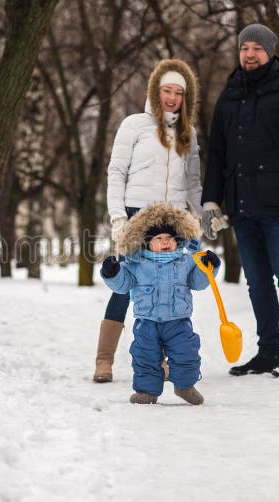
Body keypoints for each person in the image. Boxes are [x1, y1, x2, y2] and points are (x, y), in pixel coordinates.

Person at [200, 23, 279, 376]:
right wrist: (211, 202)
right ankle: (268, 350)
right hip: (242, 208)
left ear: (270, 52)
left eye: (257, 48)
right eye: (244, 48)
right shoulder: (230, 94)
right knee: (257, 282)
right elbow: (218, 152)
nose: (249, 54)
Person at [93, 59, 204, 383]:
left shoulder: (188, 133)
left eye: (178, 93)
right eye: (166, 91)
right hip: (137, 216)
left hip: (173, 221)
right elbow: (116, 172)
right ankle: (104, 359)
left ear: (186, 98)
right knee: (126, 286)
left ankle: (168, 361)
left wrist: (206, 214)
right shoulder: (134, 125)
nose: (171, 98)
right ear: (155, 92)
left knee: (171, 285)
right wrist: (118, 218)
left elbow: (193, 181)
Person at [100, 203, 218, 404]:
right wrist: (112, 273)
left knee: (187, 353)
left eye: (170, 238)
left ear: (177, 241)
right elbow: (123, 285)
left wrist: (209, 267)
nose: (165, 242)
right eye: (159, 238)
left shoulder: (186, 262)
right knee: (145, 357)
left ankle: (184, 386)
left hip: (178, 323)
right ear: (147, 243)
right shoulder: (136, 264)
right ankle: (147, 392)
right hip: (147, 323)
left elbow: (198, 283)